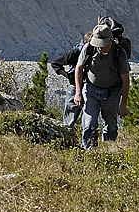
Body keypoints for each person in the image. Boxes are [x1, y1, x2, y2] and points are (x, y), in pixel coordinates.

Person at [74, 21, 130, 149]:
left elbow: (125, 80)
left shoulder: (119, 53)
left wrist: (123, 104)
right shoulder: (89, 48)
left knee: (111, 125)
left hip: (112, 94)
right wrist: (78, 92)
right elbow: (79, 67)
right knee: (89, 123)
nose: (99, 47)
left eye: (102, 45)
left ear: (109, 40)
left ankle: (108, 151)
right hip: (90, 90)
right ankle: (90, 152)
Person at [51, 30, 93, 130]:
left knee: (88, 120)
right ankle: (64, 138)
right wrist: (69, 76)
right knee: (68, 121)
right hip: (75, 89)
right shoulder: (76, 52)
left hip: (89, 88)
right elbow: (56, 63)